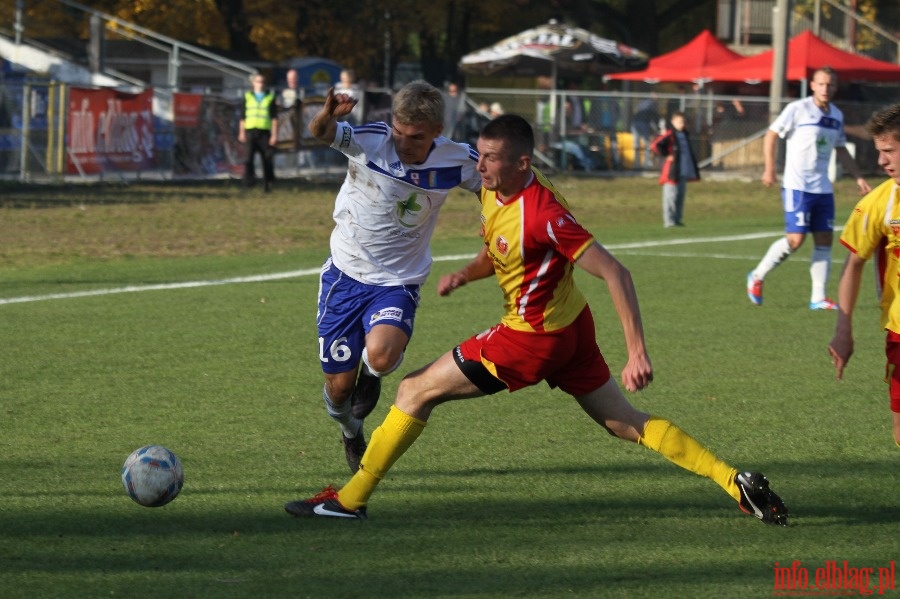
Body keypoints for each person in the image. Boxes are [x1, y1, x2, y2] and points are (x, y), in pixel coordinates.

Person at [285, 113, 789, 526]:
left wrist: (637, 351)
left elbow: (616, 272)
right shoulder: (492, 189)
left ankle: (349, 500)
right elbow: (506, 253)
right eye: (477, 154)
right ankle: (734, 481)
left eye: (489, 158)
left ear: (522, 163)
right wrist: (466, 274)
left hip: (531, 338)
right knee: (625, 424)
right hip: (572, 331)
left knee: (413, 392)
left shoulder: (543, 212)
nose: (477, 165)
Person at [306, 80, 482, 473]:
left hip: (398, 281)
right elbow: (319, 132)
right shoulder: (369, 141)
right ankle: (351, 433)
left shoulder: (457, 160)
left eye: (416, 137)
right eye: (399, 132)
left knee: (383, 356)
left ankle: (374, 372)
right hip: (345, 276)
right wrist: (327, 114)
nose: (404, 143)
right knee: (337, 392)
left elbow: (494, 185)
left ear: (437, 131)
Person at [746, 66, 871, 309]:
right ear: (812, 85)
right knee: (795, 240)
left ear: (835, 87)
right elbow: (771, 136)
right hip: (797, 186)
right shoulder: (797, 109)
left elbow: (841, 148)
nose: (826, 88)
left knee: (824, 239)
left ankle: (818, 297)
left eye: (830, 84)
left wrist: (858, 176)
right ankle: (757, 276)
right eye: (821, 84)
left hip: (822, 187)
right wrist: (769, 169)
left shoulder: (836, 115)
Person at [828, 103, 900, 447]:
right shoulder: (876, 203)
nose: (882, 161)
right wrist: (843, 330)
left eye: (889, 151)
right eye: (879, 152)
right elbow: (853, 263)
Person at [651, 111, 700, 228]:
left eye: (683, 122)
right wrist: (667, 154)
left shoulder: (684, 134)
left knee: (680, 197)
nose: (682, 124)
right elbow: (655, 145)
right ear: (673, 122)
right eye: (679, 122)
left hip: (682, 171)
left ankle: (677, 219)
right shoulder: (670, 134)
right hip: (672, 172)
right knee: (670, 197)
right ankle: (669, 221)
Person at [238, 73, 278, 192]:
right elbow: (242, 116)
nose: (260, 84)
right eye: (258, 81)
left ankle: (267, 184)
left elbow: (274, 118)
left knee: (266, 159)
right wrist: (241, 132)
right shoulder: (247, 97)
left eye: (262, 82)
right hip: (250, 131)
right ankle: (248, 182)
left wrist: (274, 135)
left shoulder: (270, 97)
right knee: (248, 159)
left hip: (264, 133)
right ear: (253, 83)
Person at [630, 96, 659, 169]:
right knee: (647, 145)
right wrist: (656, 129)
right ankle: (645, 165)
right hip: (643, 124)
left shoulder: (641, 102)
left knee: (637, 145)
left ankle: (637, 165)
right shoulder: (653, 104)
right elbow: (654, 117)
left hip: (635, 123)